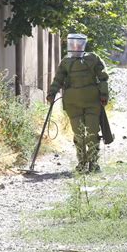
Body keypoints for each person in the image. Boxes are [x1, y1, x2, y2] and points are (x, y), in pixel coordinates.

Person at [47, 33, 109, 173]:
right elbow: (58, 79)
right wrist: (52, 93)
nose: (76, 46)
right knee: (78, 134)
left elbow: (103, 77)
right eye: (73, 43)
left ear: (83, 44)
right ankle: (81, 162)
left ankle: (93, 163)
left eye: (78, 44)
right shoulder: (66, 62)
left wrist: (104, 94)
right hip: (73, 104)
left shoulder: (93, 59)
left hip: (92, 102)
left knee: (93, 132)